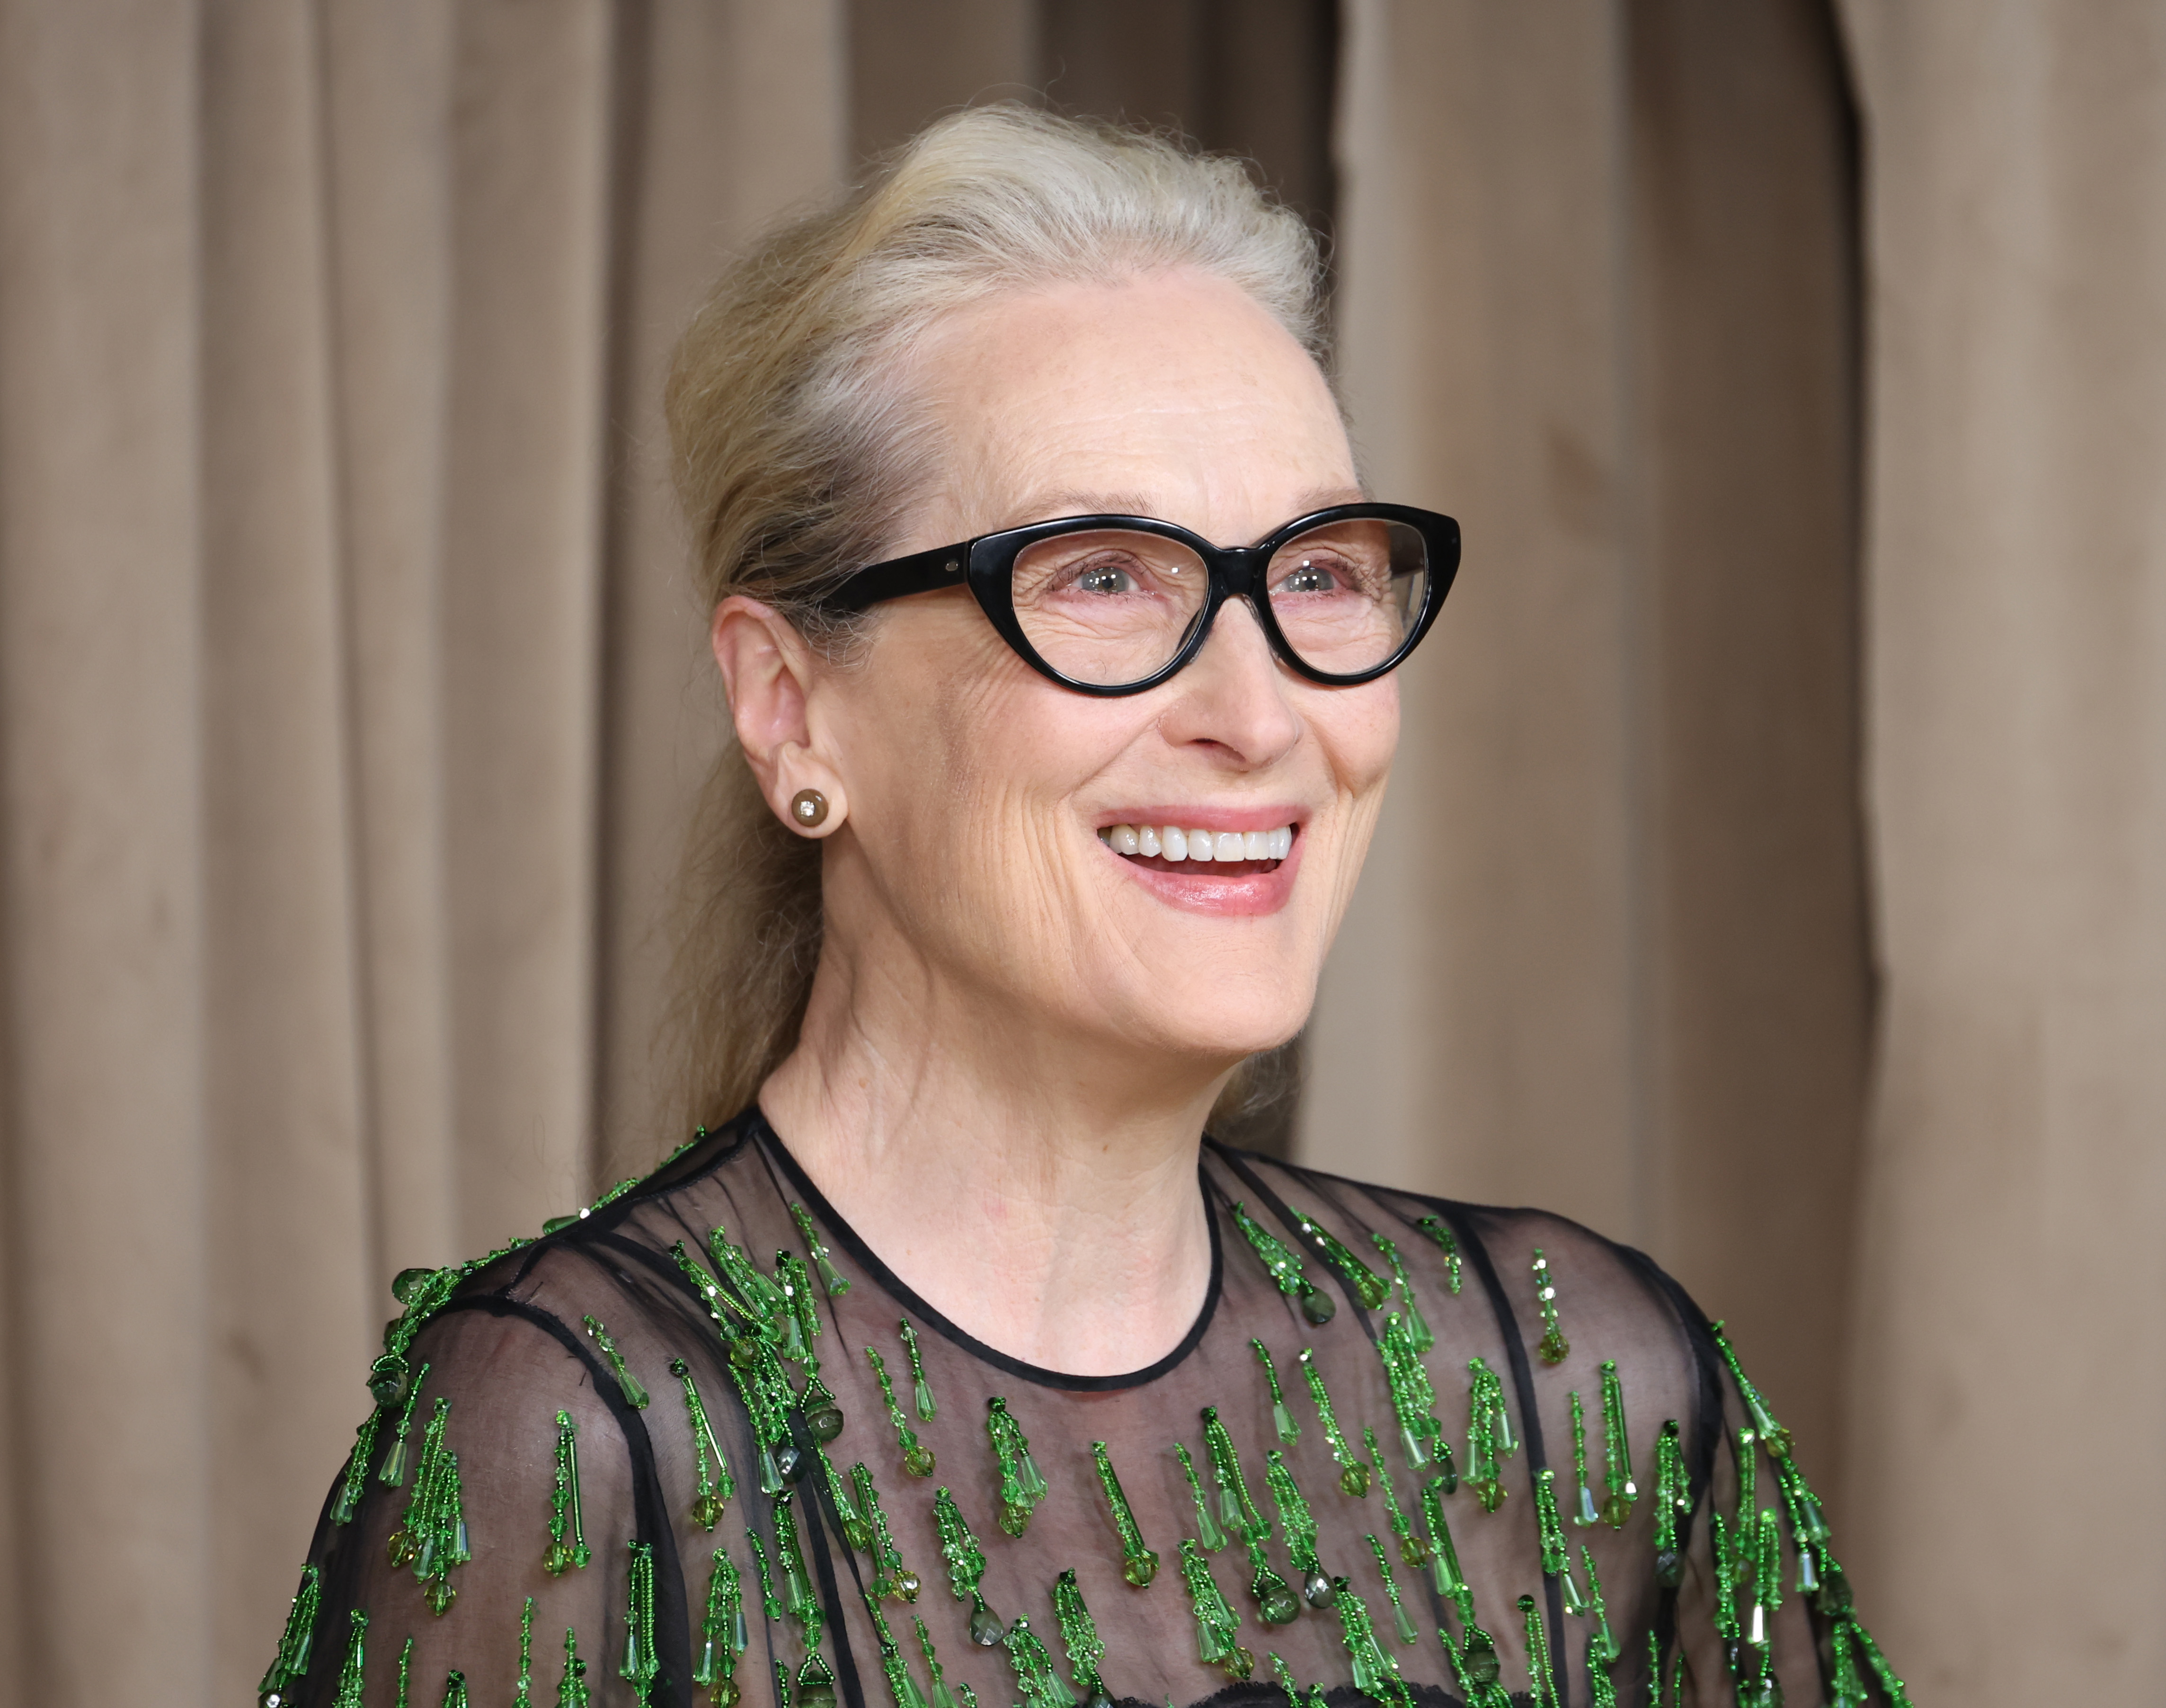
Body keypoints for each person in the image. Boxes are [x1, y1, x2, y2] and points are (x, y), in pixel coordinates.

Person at [257, 108, 1904, 1708]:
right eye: (1104, 576)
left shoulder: (1579, 1394)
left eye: (1318, 574)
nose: (1259, 717)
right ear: (791, 709)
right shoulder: (575, 1435)